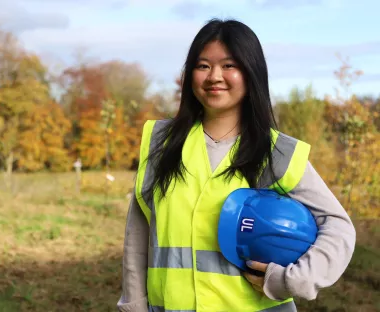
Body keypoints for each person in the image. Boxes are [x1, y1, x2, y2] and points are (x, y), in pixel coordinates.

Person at [117, 18, 356, 312]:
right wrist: (134, 305)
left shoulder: (276, 152)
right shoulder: (160, 143)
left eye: (229, 65)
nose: (214, 76)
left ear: (251, 72)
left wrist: (293, 280)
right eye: (203, 66)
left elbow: (339, 227)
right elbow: (137, 234)